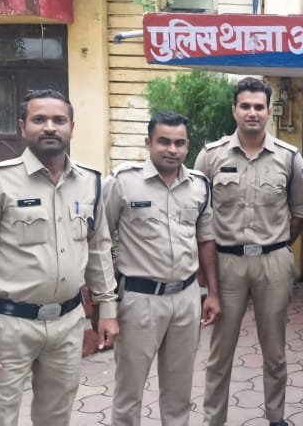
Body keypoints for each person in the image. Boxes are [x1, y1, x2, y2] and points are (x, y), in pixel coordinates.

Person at [0, 89, 119, 426]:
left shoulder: (89, 182)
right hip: (9, 325)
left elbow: (98, 249)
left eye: (59, 120)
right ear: (22, 126)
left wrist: (107, 309)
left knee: (56, 417)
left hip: (67, 323)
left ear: (72, 127)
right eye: (39, 119)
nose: (50, 127)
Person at [195, 77, 303, 426]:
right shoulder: (211, 156)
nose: (252, 112)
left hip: (272, 262)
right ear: (234, 110)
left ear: (268, 112)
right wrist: (205, 276)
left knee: (274, 350)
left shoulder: (289, 158)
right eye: (245, 106)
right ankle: (214, 419)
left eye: (259, 107)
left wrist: (279, 246)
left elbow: (300, 212)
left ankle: (276, 417)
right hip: (226, 263)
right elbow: (198, 213)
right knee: (220, 352)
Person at [105, 112, 219, 426]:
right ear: (148, 142)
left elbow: (206, 240)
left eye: (179, 143)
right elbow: (99, 241)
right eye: (164, 142)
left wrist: (212, 293)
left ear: (187, 146)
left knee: (179, 391)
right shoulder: (122, 182)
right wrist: (104, 303)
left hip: (186, 298)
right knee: (129, 391)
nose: (172, 149)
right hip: (139, 300)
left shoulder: (199, 186)